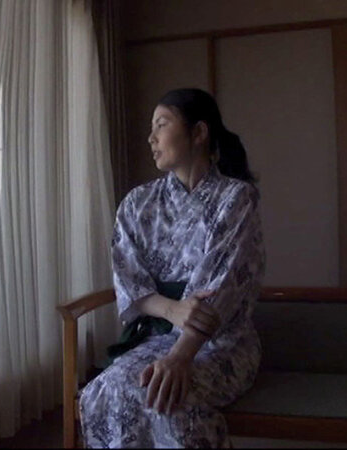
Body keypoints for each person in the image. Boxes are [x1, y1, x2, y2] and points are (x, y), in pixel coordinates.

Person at [78, 88, 266, 448]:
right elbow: (130, 282)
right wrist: (172, 310)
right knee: (104, 390)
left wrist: (180, 356)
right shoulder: (137, 203)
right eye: (152, 128)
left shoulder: (236, 198)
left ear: (198, 133)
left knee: (165, 397)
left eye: (161, 125)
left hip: (219, 343)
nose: (151, 137)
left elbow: (223, 287)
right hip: (156, 338)